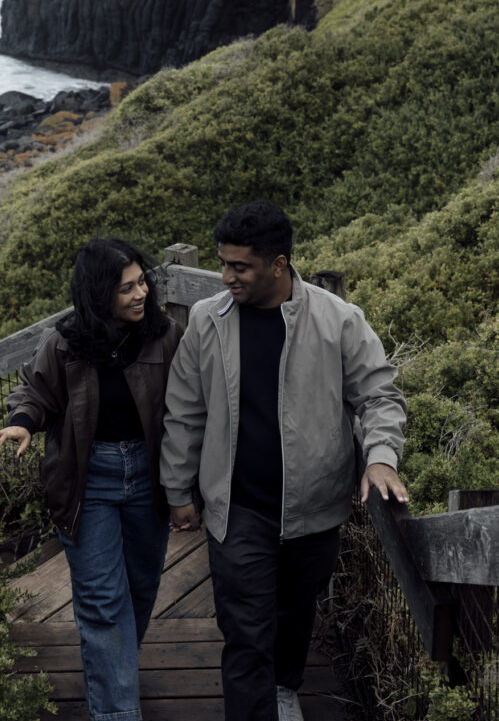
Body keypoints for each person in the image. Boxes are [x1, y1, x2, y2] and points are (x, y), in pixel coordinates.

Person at [159, 201, 408, 721]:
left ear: (278, 263)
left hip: (315, 507)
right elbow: (184, 411)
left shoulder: (338, 319)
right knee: (245, 631)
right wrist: (178, 491)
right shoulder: (207, 320)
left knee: (296, 612)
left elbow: (380, 396)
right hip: (237, 508)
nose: (226, 276)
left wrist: (381, 458)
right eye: (223, 263)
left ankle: (284, 688)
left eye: (239, 266)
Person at [0, 237, 182, 721]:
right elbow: (36, 391)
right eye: (125, 289)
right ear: (99, 295)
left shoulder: (166, 334)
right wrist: (23, 421)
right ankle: (118, 711)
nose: (140, 295)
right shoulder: (65, 342)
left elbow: (193, 404)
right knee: (101, 600)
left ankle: (118, 671)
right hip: (86, 478)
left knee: (139, 586)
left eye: (143, 283)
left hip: (148, 475)